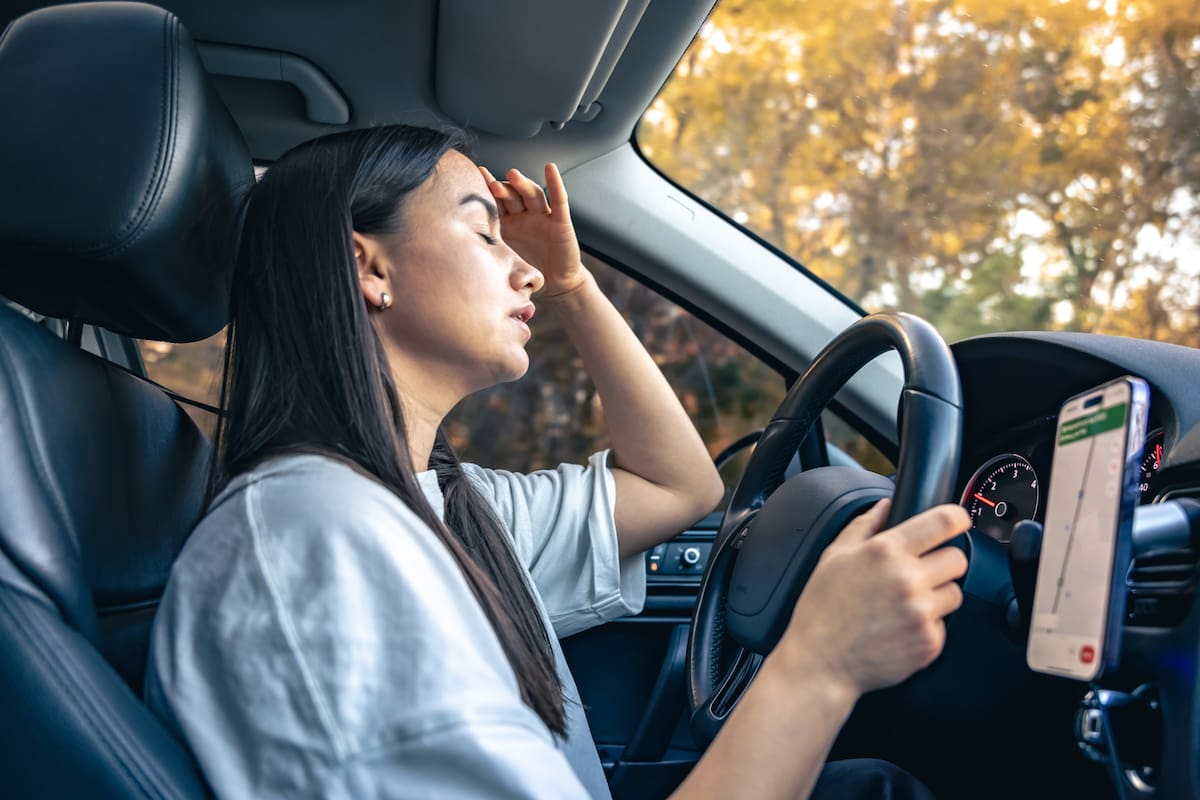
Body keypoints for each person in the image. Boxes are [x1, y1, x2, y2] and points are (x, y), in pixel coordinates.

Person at [145, 124, 970, 799]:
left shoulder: (440, 506)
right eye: (481, 229)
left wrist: (574, 287)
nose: (526, 266)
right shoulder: (319, 541)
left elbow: (677, 485)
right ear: (369, 265)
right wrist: (820, 665)